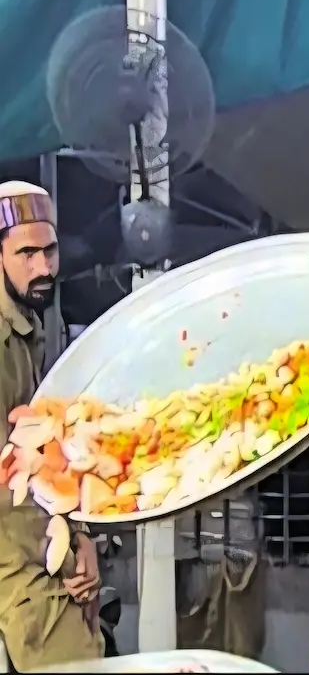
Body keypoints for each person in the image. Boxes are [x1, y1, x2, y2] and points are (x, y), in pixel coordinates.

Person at [0, 180, 103, 669]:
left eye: (50, 251)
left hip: (42, 545)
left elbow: (45, 456)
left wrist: (79, 536)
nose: (43, 267)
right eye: (26, 253)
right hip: (15, 560)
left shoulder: (28, 324)